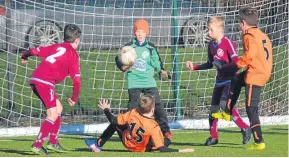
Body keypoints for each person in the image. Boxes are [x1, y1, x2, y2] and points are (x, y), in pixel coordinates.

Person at [212, 7, 273, 150]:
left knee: (251, 108)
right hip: (262, 71)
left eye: (240, 23)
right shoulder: (262, 34)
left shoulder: (248, 35)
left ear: (244, 23)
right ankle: (227, 112)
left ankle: (259, 141)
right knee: (236, 80)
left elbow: (250, 54)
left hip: (255, 76)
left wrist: (237, 65)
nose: (239, 26)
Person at [185, 16, 251, 146]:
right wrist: (195, 67)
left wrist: (226, 67)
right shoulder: (211, 45)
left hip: (230, 80)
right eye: (208, 30)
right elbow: (210, 63)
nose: (208, 33)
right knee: (213, 109)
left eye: (211, 30)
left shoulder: (228, 43)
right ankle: (214, 137)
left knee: (224, 105)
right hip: (219, 81)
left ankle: (245, 128)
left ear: (220, 30)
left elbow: (236, 61)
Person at [21, 24, 82, 155]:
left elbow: (35, 51)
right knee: (52, 114)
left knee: (58, 108)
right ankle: (37, 145)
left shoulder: (56, 47)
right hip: (45, 83)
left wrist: (25, 55)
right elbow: (76, 80)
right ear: (77, 40)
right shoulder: (73, 55)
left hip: (37, 80)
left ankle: (53, 142)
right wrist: (74, 97)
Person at [84, 96, 195, 153]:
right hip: (143, 149)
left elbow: (113, 121)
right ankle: (97, 145)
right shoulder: (154, 126)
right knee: (166, 141)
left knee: (115, 124)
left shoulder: (133, 112)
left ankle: (98, 144)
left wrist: (106, 110)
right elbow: (162, 149)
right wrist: (180, 150)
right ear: (152, 110)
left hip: (128, 142)